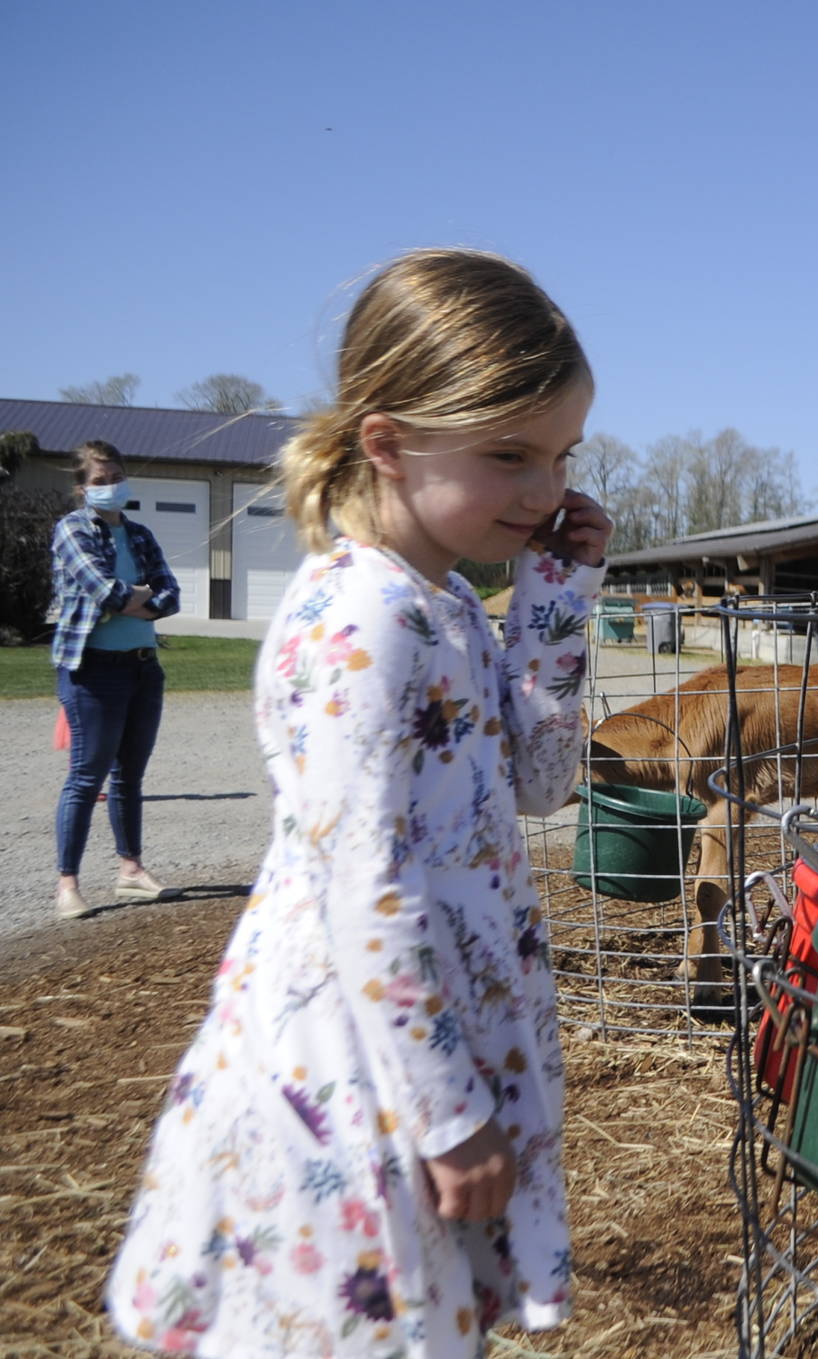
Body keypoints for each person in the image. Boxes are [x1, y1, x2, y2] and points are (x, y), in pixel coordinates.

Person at [106, 248, 612, 1358]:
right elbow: (360, 882)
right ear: (385, 441)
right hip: (359, 1074)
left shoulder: (451, 609)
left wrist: (558, 602)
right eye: (509, 454)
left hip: (428, 1039)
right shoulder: (361, 620)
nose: (546, 491)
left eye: (562, 456)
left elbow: (538, 784)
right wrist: (447, 1111)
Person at [49, 439, 181, 920]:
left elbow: (172, 593)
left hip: (143, 666)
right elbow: (103, 589)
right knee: (86, 777)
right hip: (93, 671)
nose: (110, 487)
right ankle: (67, 884)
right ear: (83, 488)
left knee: (130, 776)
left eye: (116, 477)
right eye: (99, 481)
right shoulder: (71, 530)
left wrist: (137, 598)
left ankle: (131, 870)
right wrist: (136, 597)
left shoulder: (140, 534)